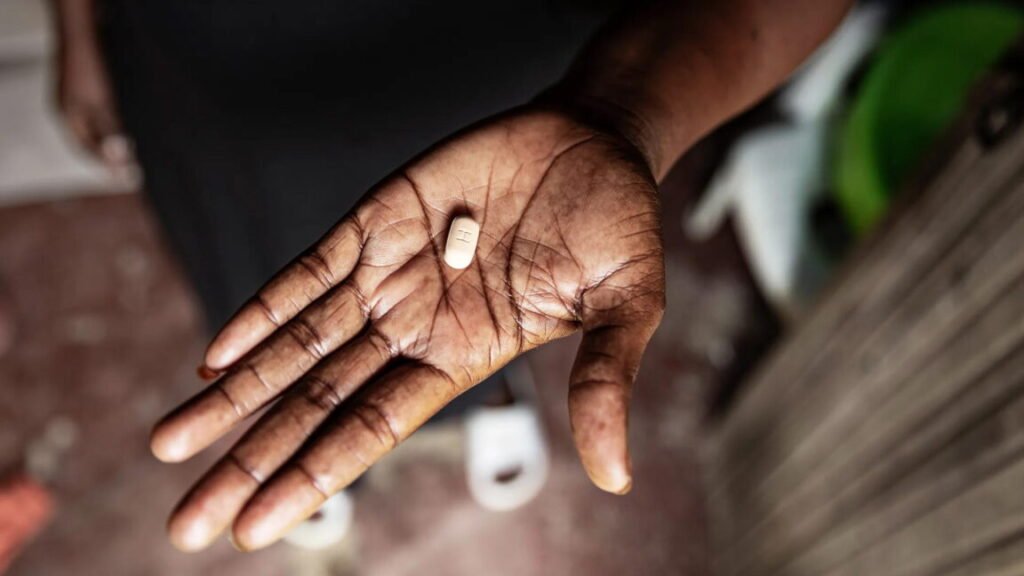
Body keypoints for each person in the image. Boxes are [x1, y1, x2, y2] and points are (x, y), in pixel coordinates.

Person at [53, 0, 853, 553]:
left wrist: (619, 112)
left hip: (496, 61)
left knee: (477, 273)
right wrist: (80, 33)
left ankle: (482, 389)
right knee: (275, 264)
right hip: (212, 60)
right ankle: (319, 409)